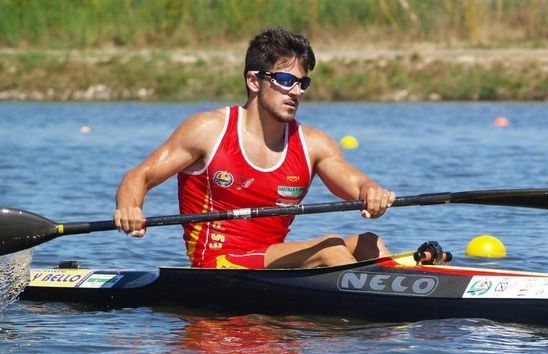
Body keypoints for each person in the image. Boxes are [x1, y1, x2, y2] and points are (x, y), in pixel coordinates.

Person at [113, 27, 395, 269]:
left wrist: (372, 192)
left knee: (369, 243)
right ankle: (372, 320)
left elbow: (356, 184)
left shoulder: (313, 144)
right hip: (219, 263)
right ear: (253, 81)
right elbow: (139, 177)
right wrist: (130, 209)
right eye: (286, 81)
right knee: (330, 248)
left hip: (272, 261)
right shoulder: (208, 130)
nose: (296, 92)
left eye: (302, 83)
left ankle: (399, 314)